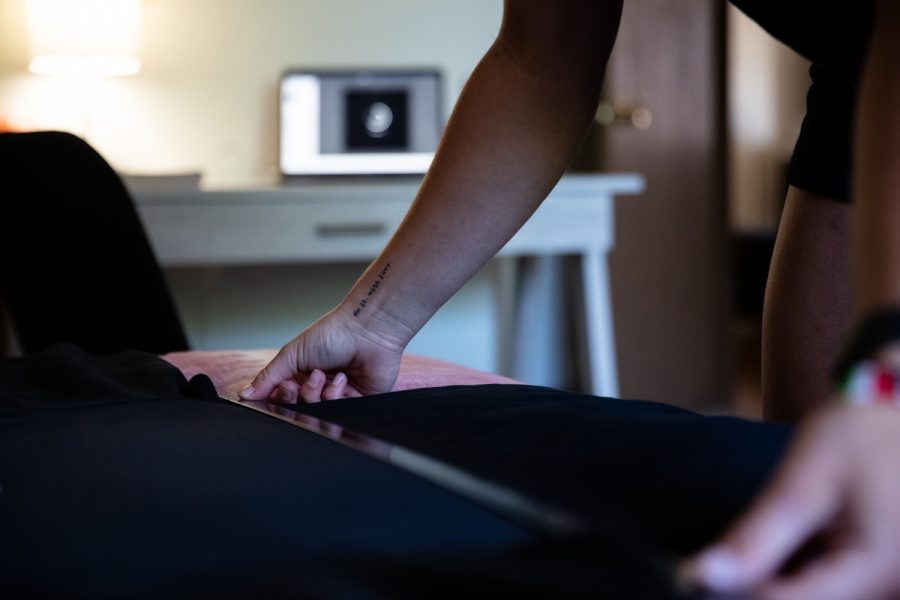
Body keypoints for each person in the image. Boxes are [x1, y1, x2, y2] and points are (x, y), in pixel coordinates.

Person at [240, 1, 900, 597]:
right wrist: (375, 321)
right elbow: (541, 62)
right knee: (817, 515)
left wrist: (887, 374)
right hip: (860, 92)